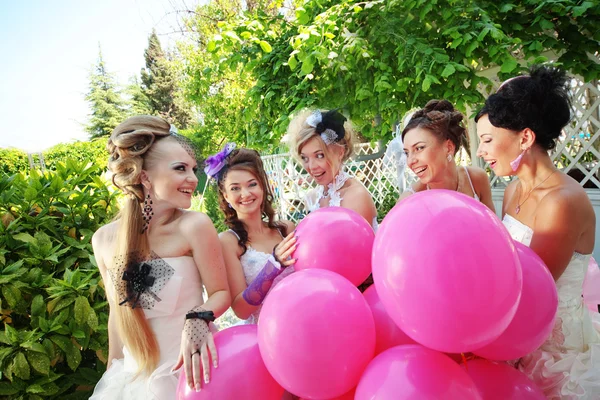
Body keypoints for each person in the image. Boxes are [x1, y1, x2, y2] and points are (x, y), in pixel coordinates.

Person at [476, 65, 600, 399]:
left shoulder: (561, 202)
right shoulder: (514, 190)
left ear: (526, 137)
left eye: (487, 140)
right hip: (515, 337)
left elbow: (530, 290)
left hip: (556, 354)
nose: (480, 151)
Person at [90, 116, 230, 399]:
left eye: (193, 169)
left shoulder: (195, 226)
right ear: (145, 177)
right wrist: (112, 376)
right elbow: (117, 319)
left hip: (192, 375)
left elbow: (221, 292)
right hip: (133, 379)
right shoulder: (103, 240)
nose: (193, 178)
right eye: (180, 169)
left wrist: (197, 318)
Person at [287, 109, 377, 291]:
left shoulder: (356, 195)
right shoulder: (312, 197)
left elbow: (353, 260)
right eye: (305, 158)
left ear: (340, 152)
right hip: (324, 290)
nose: (311, 167)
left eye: (319, 155)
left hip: (358, 291)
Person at [207, 146, 296, 324]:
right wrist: (273, 265)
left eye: (252, 184)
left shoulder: (286, 228)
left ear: (262, 187)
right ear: (225, 196)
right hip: (267, 330)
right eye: (235, 188)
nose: (245, 194)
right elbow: (241, 309)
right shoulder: (228, 242)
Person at [401, 99, 495, 212]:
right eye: (407, 153)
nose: (410, 161)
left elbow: (493, 226)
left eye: (419, 148)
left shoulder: (476, 179)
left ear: (449, 147)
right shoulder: (408, 201)